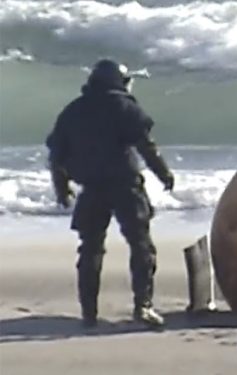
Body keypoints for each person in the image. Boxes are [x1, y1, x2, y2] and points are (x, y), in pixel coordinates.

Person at [45, 59, 174, 328]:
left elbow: (56, 154)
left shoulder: (73, 111)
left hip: (91, 189)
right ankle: (143, 306)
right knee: (141, 246)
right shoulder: (123, 106)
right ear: (119, 81)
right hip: (125, 185)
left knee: (90, 249)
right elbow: (145, 145)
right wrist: (164, 173)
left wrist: (61, 187)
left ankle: (88, 314)